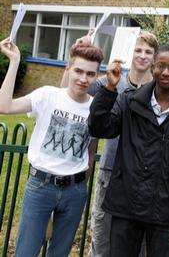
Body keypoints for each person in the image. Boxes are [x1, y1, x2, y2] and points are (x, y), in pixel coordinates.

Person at [88, 44, 169, 257]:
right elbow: (99, 127)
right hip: (126, 206)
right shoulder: (130, 100)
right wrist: (109, 89)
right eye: (161, 66)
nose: (166, 72)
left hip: (166, 212)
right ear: (153, 67)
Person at [0, 37, 103, 257]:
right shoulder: (48, 95)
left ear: (97, 76)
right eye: (78, 71)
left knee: (60, 253)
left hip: (75, 191)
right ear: (68, 68)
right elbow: (4, 106)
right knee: (26, 251)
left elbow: (91, 149)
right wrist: (15, 61)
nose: (83, 78)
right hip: (41, 186)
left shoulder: (96, 107)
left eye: (90, 74)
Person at [80, 31, 158, 257]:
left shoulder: (157, 89)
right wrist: (78, 53)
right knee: (103, 239)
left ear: (154, 57)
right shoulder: (111, 80)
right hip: (110, 170)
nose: (142, 56)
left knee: (138, 245)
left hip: (142, 177)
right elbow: (73, 91)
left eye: (148, 52)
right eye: (137, 50)